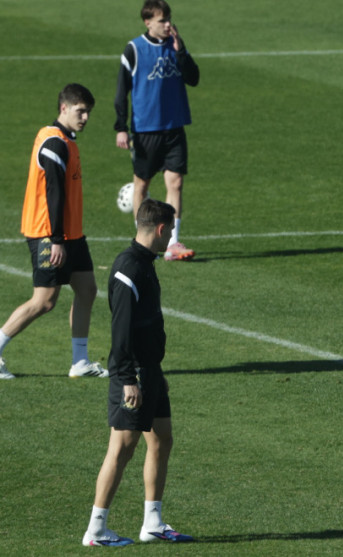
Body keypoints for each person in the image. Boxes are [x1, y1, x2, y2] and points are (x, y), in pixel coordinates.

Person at [82, 199, 193, 546]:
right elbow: (121, 331)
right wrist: (129, 379)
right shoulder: (128, 268)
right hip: (133, 374)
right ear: (160, 229)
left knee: (162, 439)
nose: (170, 237)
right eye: (169, 231)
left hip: (150, 371)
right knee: (121, 449)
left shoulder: (144, 262)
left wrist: (156, 374)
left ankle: (153, 523)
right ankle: (96, 530)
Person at [0, 83, 108, 380]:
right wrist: (57, 239)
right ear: (64, 108)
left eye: (88, 112)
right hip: (49, 234)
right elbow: (54, 192)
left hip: (71, 234)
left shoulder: (66, 140)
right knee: (44, 301)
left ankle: (80, 361)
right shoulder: (54, 143)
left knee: (86, 289)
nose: (85, 117)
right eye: (80, 111)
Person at [115, 0, 200, 261]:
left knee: (176, 182)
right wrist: (121, 127)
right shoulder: (134, 49)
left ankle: (172, 244)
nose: (168, 25)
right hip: (146, 130)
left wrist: (181, 51)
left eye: (169, 19)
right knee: (142, 184)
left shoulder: (176, 46)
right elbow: (121, 92)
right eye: (162, 20)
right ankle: (143, 242)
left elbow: (194, 79)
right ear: (148, 22)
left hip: (174, 127)